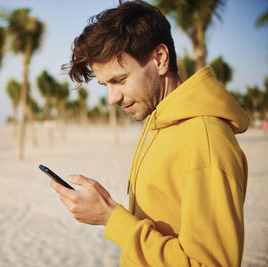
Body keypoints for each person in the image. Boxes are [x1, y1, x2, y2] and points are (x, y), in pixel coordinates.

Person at [50, 1, 250, 266]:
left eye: (119, 80)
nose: (112, 98)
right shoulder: (160, 122)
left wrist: (111, 218)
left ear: (160, 59)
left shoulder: (206, 142)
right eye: (105, 84)